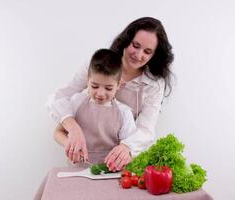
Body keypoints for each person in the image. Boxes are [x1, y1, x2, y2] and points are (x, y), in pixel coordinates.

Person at [47, 16, 174, 171]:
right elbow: (59, 97)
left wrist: (127, 146)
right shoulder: (98, 64)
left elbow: (146, 129)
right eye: (136, 45)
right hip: (81, 164)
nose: (139, 55)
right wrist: (73, 129)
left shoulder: (153, 85)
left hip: (117, 164)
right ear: (126, 40)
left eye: (147, 52)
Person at [53, 48, 136, 166]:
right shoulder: (76, 101)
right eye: (95, 86)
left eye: (108, 88)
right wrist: (69, 144)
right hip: (77, 168)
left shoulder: (124, 112)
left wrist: (126, 155)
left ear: (119, 85)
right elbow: (58, 132)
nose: (100, 94)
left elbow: (130, 149)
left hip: (109, 173)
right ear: (87, 80)